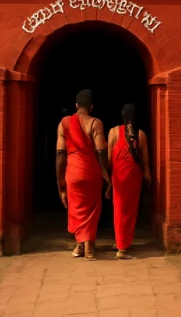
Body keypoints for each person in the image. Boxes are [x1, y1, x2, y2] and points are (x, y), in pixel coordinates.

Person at [55, 89, 110, 259]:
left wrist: (60, 181)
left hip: (73, 171)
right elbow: (101, 151)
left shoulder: (64, 123)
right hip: (91, 172)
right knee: (92, 209)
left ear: (76, 105)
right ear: (91, 107)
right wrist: (107, 175)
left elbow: (60, 154)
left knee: (76, 208)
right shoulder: (96, 123)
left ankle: (80, 245)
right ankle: (89, 248)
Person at [108, 103, 150, 259]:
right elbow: (145, 158)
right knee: (130, 210)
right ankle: (122, 247)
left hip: (118, 176)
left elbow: (109, 157)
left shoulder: (113, 132)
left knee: (118, 209)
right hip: (133, 176)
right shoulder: (140, 135)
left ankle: (121, 243)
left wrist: (108, 177)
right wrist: (148, 173)